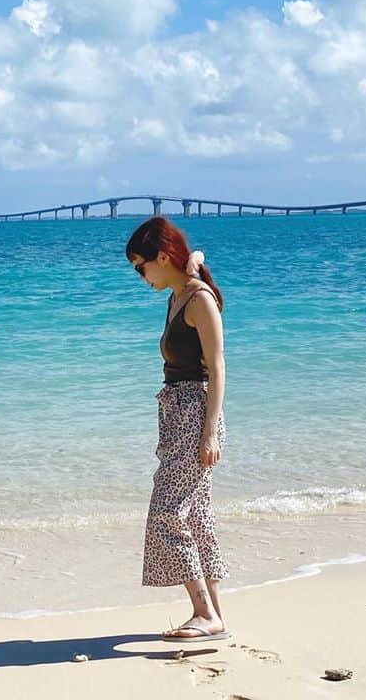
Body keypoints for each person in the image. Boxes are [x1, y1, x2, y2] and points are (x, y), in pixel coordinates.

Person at [126, 215, 229, 643]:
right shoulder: (178, 294)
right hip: (176, 413)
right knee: (197, 515)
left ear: (162, 257)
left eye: (140, 266)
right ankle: (216, 617)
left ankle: (205, 613)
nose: (140, 276)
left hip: (195, 413)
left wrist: (209, 432)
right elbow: (193, 263)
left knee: (168, 512)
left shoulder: (199, 299)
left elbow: (218, 366)